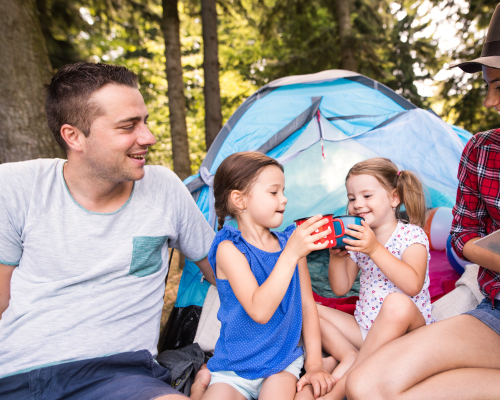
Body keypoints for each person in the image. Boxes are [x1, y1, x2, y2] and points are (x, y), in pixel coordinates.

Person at [344, 0, 500, 399]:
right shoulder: (483, 150)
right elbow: (462, 235)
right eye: (488, 87)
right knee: (367, 385)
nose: (490, 102)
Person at [0, 62, 216, 399]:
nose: (148, 137)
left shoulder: (163, 189)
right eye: (128, 126)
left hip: (121, 377)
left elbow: (227, 273)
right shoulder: (17, 186)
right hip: (18, 375)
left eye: (144, 121)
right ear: (73, 136)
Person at [197, 152, 335, 400]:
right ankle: (200, 385)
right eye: (274, 192)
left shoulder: (291, 244)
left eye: (283, 191)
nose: (284, 199)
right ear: (240, 200)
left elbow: (306, 304)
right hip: (235, 366)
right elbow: (259, 311)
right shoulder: (229, 249)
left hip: (282, 361)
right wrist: (291, 254)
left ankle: (329, 364)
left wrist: (314, 365)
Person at [317, 158, 433, 400]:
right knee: (309, 308)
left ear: (394, 198)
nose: (357, 204)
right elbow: (340, 288)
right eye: (351, 198)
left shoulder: (411, 235)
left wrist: (374, 249)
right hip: (366, 331)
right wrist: (337, 257)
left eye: (367, 196)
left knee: (396, 303)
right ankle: (349, 355)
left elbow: (413, 285)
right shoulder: (359, 239)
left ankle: (341, 387)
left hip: (407, 336)